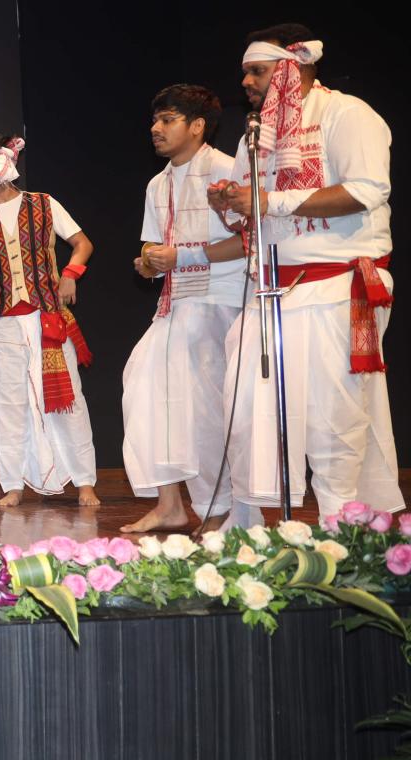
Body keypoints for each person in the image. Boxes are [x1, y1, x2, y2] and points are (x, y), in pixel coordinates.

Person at [207, 24, 399, 521]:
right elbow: (253, 208)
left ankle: (340, 523)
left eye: (257, 71)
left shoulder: (347, 114)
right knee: (248, 409)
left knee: (333, 415)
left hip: (337, 285)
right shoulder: (259, 134)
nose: (246, 82)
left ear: (295, 66)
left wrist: (273, 202)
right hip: (271, 289)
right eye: (245, 72)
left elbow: (367, 189)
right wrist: (233, 203)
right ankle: (247, 522)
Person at [119, 85, 245, 533]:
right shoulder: (158, 184)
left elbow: (251, 241)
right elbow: (154, 249)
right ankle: (170, 503)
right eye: (154, 120)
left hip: (219, 302)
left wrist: (182, 257)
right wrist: (148, 263)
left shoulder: (227, 171)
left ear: (196, 126)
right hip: (174, 304)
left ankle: (221, 507)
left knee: (202, 408)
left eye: (167, 119)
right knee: (143, 389)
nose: (155, 128)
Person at [0, 133, 100, 508]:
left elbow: (83, 244)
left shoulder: (43, 204)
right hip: (4, 321)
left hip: (47, 317)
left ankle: (84, 481)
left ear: (9, 161)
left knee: (68, 400)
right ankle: (14, 484)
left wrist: (70, 274)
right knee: (8, 404)